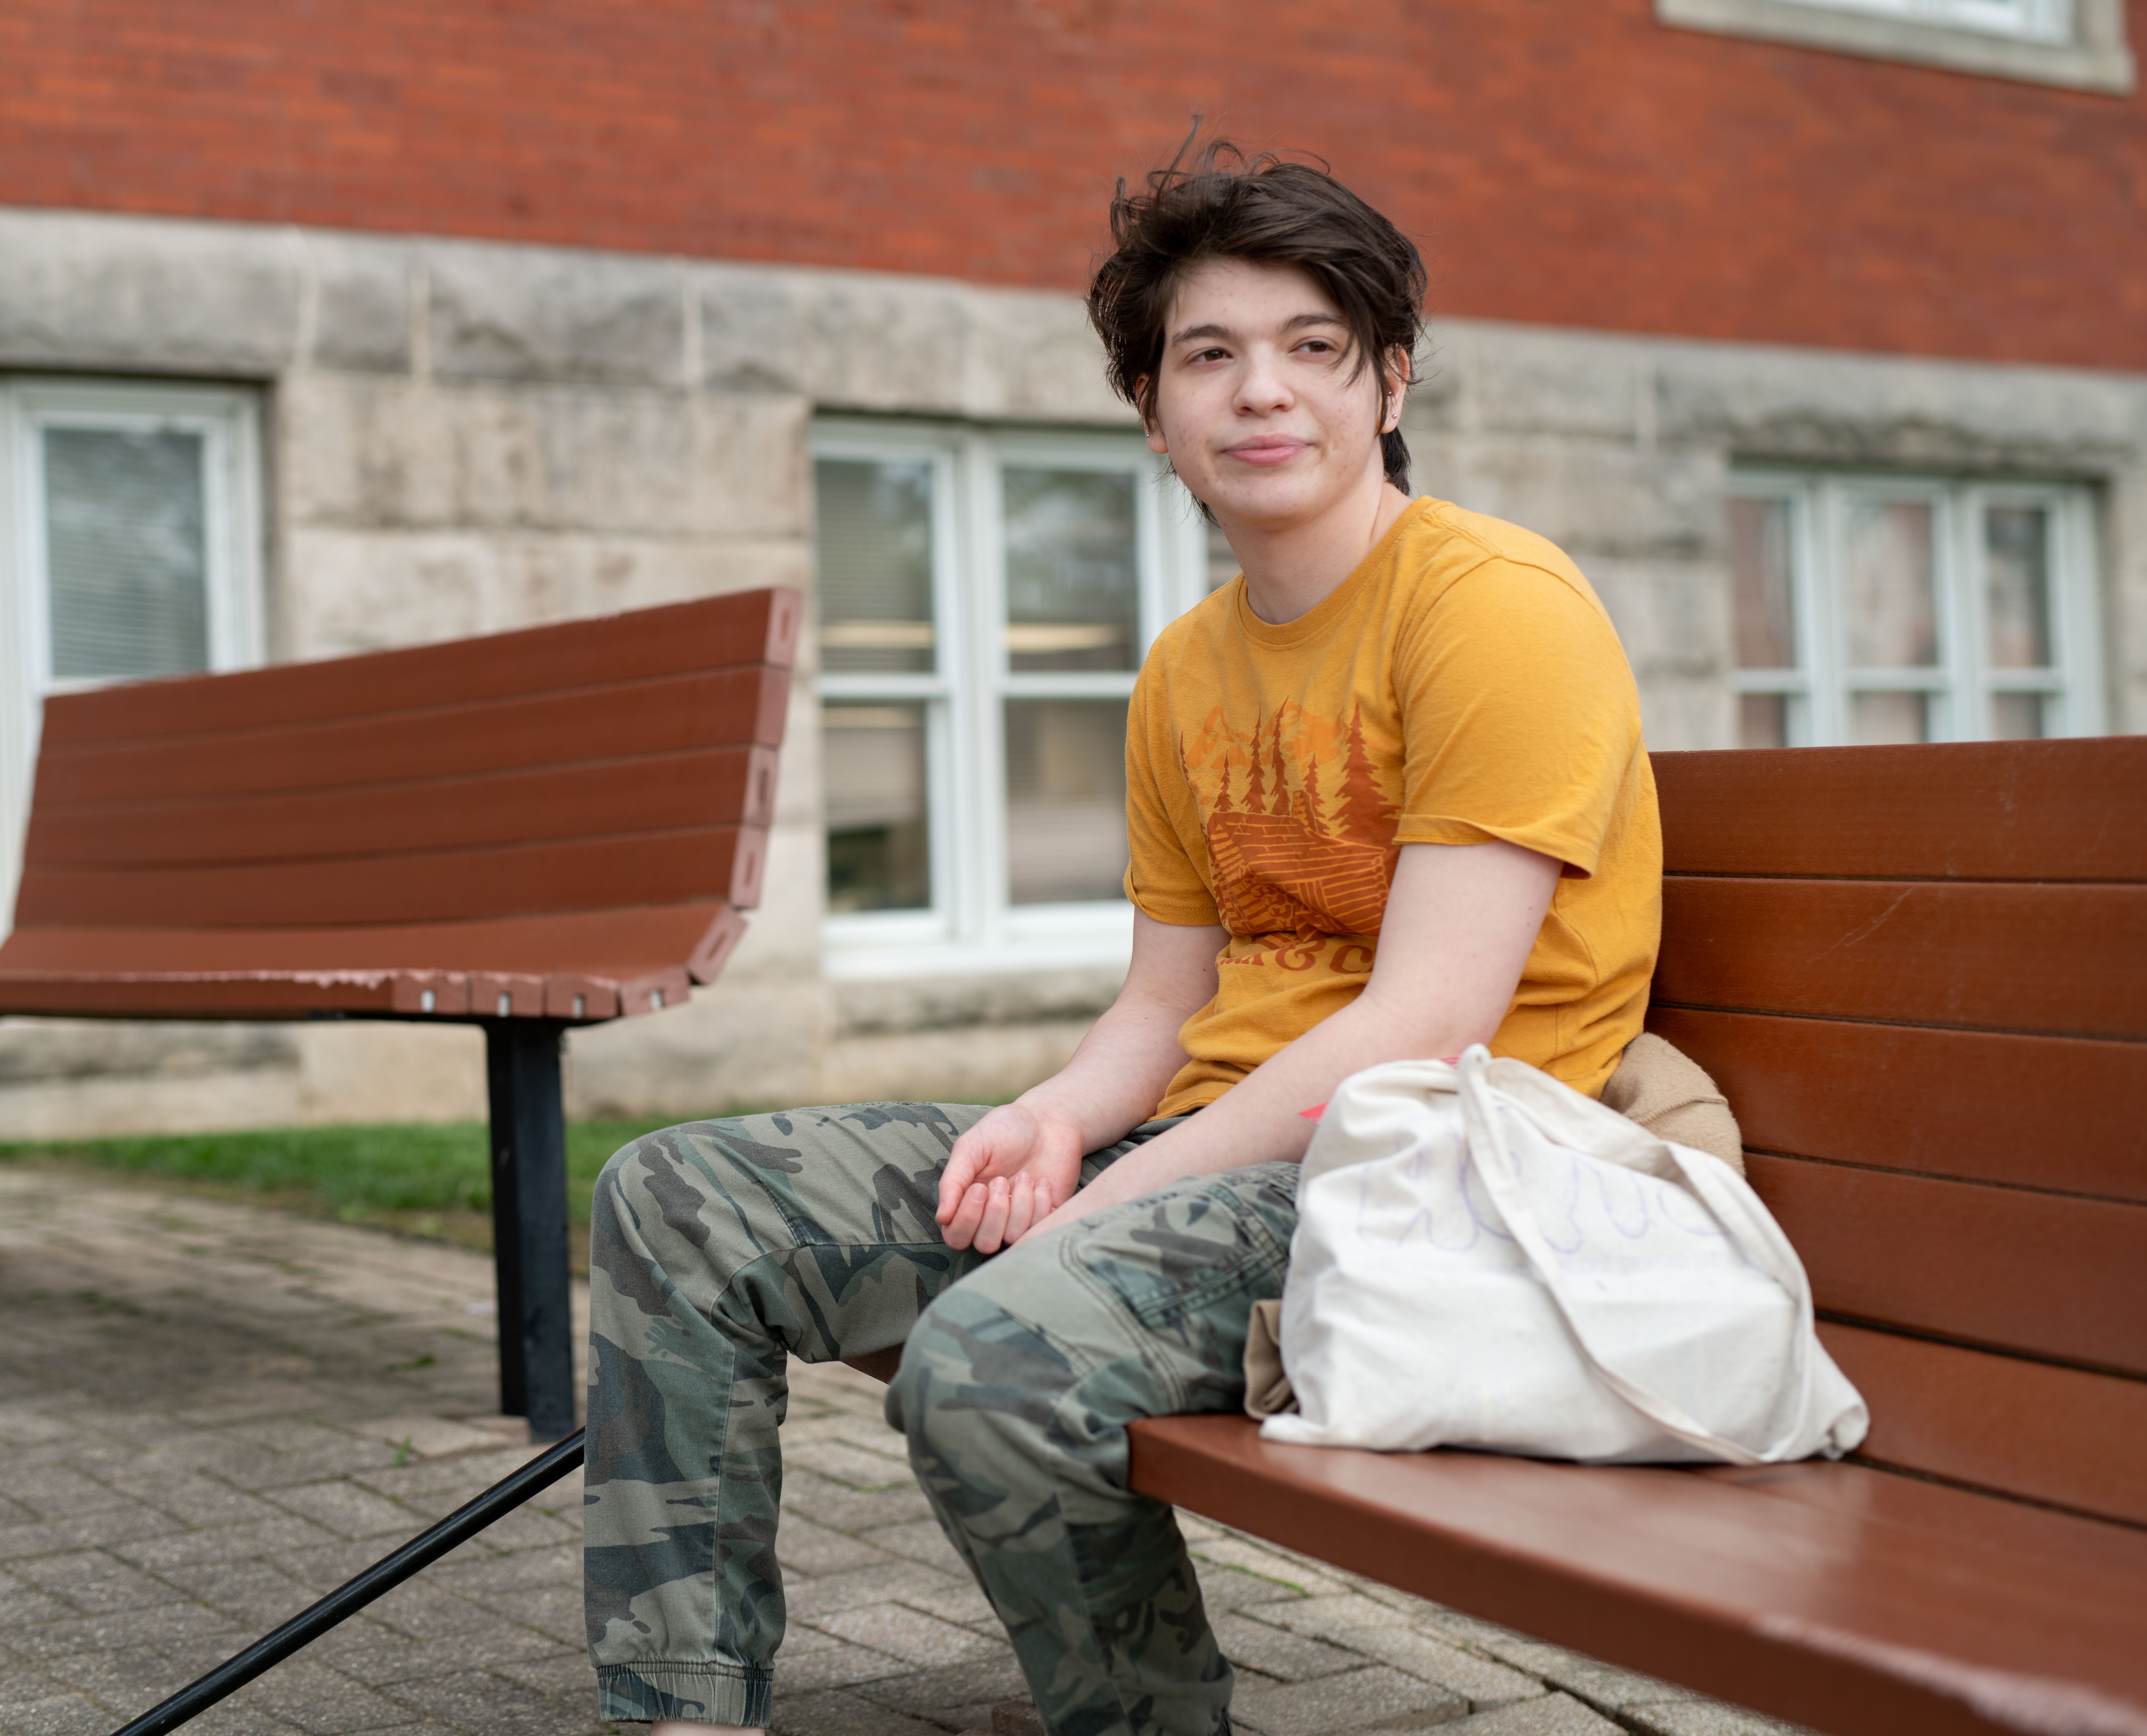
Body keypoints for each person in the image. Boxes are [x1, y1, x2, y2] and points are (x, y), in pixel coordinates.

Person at [582, 142, 1660, 1736]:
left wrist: (1114, 1191)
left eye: (1313, 348)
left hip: (1426, 1175)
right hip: (1211, 1147)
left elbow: (1426, 1027)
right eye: (1207, 356)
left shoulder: (1493, 604)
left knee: (988, 1356)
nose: (1260, 393)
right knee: (680, 1198)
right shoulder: (1185, 669)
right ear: (1155, 413)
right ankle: (679, 1710)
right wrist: (1060, 1122)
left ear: (1389, 384)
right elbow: (1167, 998)